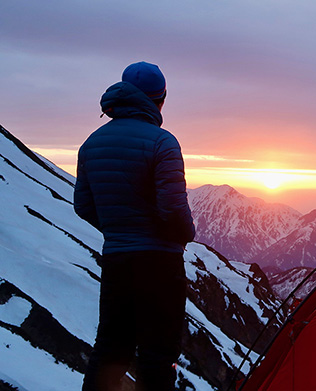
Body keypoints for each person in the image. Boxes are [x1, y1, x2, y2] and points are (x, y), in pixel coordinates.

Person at [74, 61, 195, 391]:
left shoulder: (91, 144)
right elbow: (173, 209)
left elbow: (83, 206)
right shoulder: (163, 143)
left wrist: (118, 230)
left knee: (111, 349)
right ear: (161, 99)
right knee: (157, 355)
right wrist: (185, 237)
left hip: (117, 262)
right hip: (160, 263)